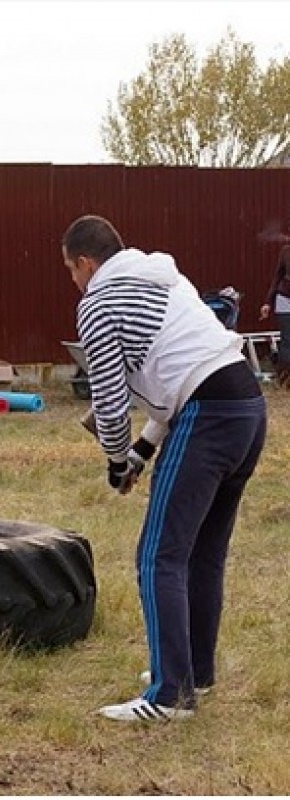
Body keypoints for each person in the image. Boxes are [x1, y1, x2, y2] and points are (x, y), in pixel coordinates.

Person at [62, 214, 266, 722]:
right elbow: (179, 370)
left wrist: (115, 460)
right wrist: (143, 451)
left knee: (158, 556)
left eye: (70, 269)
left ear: (86, 263)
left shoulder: (98, 302)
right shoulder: (166, 278)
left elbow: (108, 398)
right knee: (202, 554)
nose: (72, 280)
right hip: (247, 407)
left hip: (209, 415)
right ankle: (194, 671)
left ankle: (170, 696)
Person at [258, 238, 290, 387]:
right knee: (286, 340)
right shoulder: (285, 251)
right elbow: (277, 276)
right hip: (284, 298)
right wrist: (267, 302)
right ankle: (284, 378)